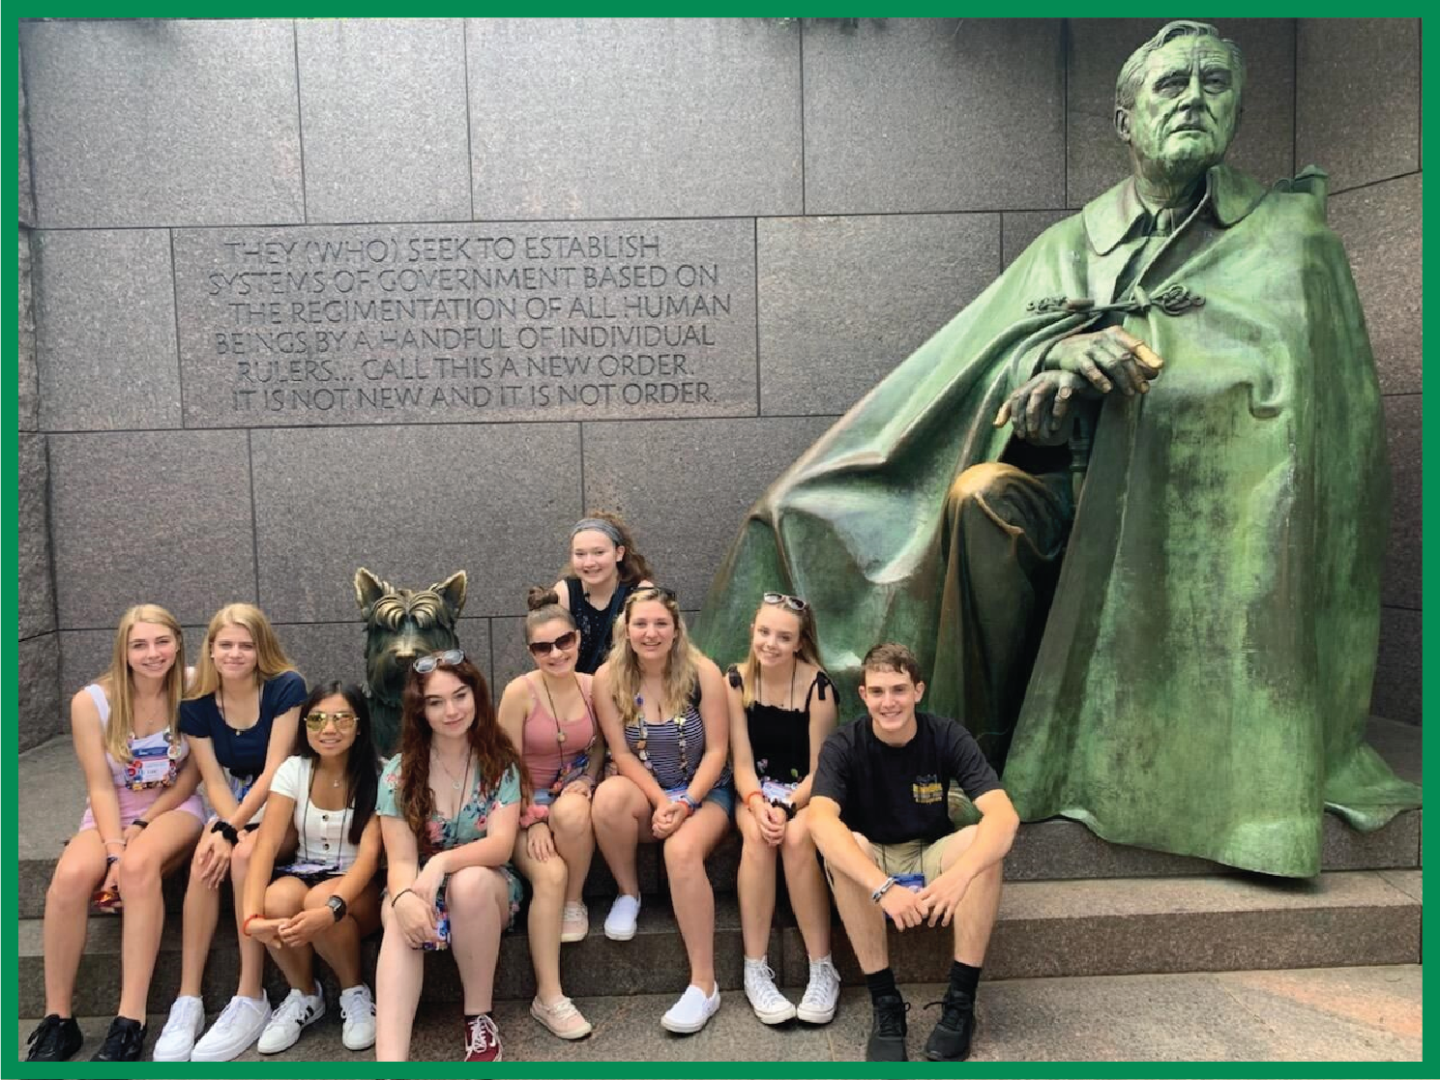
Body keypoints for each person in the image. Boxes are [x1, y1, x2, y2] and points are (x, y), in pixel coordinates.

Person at [695, 20, 1419, 877]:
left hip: (1202, 527)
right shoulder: (1068, 247)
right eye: (1171, 85)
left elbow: (1309, 429)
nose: (1193, 99)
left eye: (1213, 84)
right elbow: (980, 373)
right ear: (1125, 118)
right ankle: (976, 751)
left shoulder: (1290, 244)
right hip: (1067, 499)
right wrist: (1048, 365)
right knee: (970, 499)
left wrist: (1154, 375)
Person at [809, 643, 1019, 1062]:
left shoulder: (946, 734)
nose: (890, 702)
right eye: (879, 691)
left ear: (918, 691)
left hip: (930, 853)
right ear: (864, 695)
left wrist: (959, 877)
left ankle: (961, 1003)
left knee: (985, 845)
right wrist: (883, 888)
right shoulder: (844, 744)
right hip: (874, 861)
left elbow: (1004, 816)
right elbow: (819, 820)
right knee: (846, 846)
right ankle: (885, 1005)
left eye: (899, 690)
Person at [26, 605, 205, 1063]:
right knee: (68, 878)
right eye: (139, 645)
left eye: (161, 642)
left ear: (178, 642)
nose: (152, 654)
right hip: (111, 813)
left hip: (173, 806)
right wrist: (113, 851)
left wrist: (138, 838)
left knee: (140, 867)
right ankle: (58, 1020)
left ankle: (130, 1019)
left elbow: (192, 775)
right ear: (122, 650)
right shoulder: (92, 702)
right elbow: (100, 787)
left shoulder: (195, 685)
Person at [153, 603, 306, 1062]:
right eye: (226, 645)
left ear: (262, 650)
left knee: (241, 857)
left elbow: (277, 767)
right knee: (206, 858)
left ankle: (250, 995)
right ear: (212, 651)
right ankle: (188, 999)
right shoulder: (197, 704)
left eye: (246, 645)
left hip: (281, 790)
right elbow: (213, 778)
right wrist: (223, 827)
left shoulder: (285, 687)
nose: (236, 654)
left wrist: (229, 830)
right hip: (229, 793)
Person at [590, 586, 734, 1034]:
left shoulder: (702, 673)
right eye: (641, 624)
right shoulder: (608, 678)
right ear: (626, 630)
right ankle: (629, 893)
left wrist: (687, 800)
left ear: (675, 629)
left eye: (660, 624)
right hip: (649, 791)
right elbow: (622, 753)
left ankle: (704, 985)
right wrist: (661, 801)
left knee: (680, 854)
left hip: (706, 793)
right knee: (608, 798)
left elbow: (718, 751)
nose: (650, 633)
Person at [374, 651, 524, 1063]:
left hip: (488, 889)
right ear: (419, 711)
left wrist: (441, 863)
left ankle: (478, 1018)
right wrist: (404, 899)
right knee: (400, 914)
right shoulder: (399, 774)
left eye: (460, 696)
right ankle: (390, 1062)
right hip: (419, 883)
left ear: (476, 695)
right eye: (435, 702)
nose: (451, 710)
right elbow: (401, 861)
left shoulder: (499, 763)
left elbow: (501, 846)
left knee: (468, 882)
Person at [240, 681, 382, 1055]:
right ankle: (305, 994)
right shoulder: (293, 770)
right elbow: (266, 846)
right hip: (304, 871)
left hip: (357, 885)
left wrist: (332, 908)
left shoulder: (378, 774)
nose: (328, 729)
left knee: (322, 898)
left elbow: (369, 856)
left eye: (341, 719)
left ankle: (354, 992)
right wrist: (251, 917)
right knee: (278, 898)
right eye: (316, 719)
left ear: (360, 725)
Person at [726, 592, 841, 1026]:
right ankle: (755, 968)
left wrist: (787, 806)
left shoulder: (818, 687)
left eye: (783, 636)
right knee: (757, 838)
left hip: (803, 793)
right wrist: (758, 805)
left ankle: (822, 966)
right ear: (752, 630)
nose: (771, 643)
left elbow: (820, 769)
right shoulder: (735, 680)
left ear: (799, 641)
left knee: (796, 839)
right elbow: (739, 762)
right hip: (753, 791)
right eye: (764, 632)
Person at [496, 587, 605, 1040]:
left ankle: (575, 902)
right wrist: (532, 818)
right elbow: (505, 764)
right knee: (550, 874)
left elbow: (602, 744)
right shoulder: (519, 693)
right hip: (523, 801)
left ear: (578, 639)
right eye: (543, 647)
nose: (556, 653)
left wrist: (591, 777)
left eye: (564, 642)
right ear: (530, 651)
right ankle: (549, 997)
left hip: (571, 795)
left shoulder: (594, 686)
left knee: (575, 814)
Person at [552, 510, 655, 674]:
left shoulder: (642, 593)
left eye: (599, 552)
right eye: (580, 554)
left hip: (627, 691)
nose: (589, 562)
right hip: (577, 692)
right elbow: (551, 653)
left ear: (619, 553)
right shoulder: (564, 593)